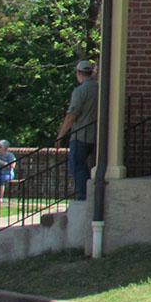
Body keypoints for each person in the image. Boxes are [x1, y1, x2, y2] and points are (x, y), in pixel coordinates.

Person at [58, 59, 99, 200]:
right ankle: (92, 195)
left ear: (79, 73)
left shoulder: (80, 91)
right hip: (97, 135)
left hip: (81, 135)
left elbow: (72, 115)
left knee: (77, 166)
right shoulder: (100, 88)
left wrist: (60, 135)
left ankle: (84, 196)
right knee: (90, 167)